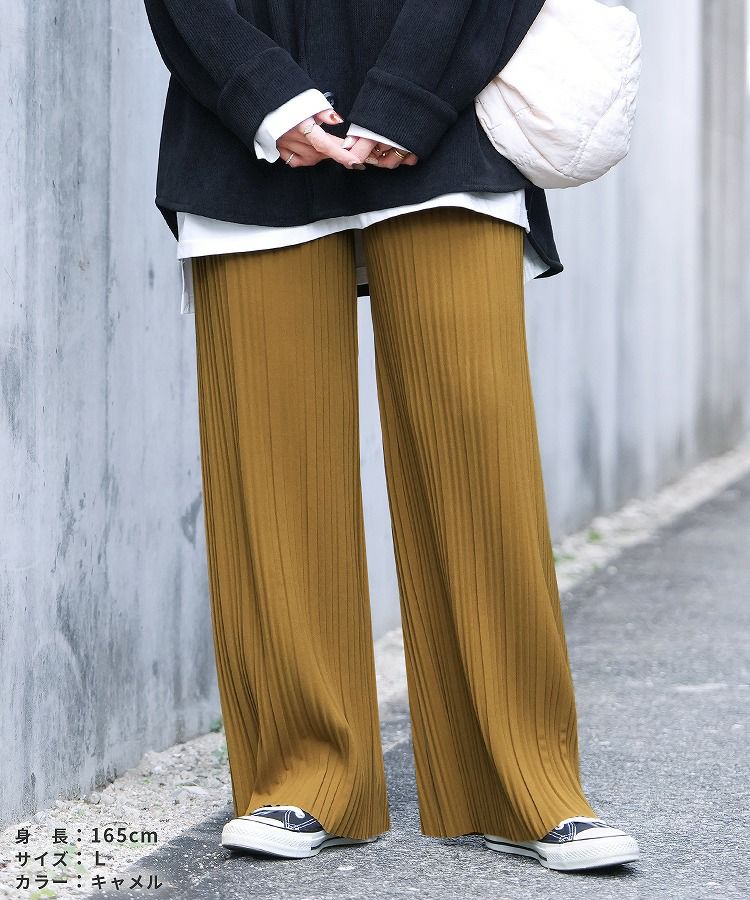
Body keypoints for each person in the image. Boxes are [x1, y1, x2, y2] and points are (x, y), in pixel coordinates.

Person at [143, 0, 640, 873]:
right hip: (245, 122)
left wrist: (412, 92)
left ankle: (519, 780)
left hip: (448, 107)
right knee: (273, 467)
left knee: (480, 460)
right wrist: (261, 92)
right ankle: (305, 775)